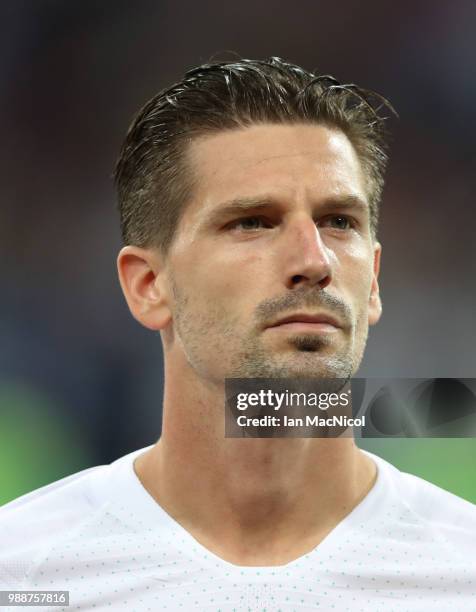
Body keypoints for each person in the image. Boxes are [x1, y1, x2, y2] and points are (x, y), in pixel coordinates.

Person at [1, 57, 475, 611]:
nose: (314, 260)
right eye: (252, 222)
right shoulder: (23, 572)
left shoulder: (461, 572)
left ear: (372, 280)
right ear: (149, 284)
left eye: (338, 221)